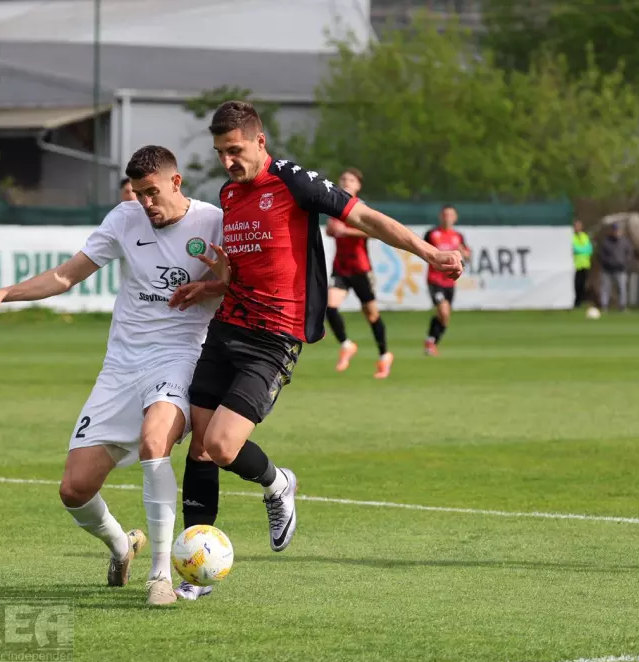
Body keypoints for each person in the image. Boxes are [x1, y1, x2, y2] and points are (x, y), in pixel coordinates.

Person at [167, 100, 463, 600]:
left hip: (272, 339)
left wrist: (430, 252)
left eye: (234, 150)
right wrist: (210, 287)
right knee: (198, 447)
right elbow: (243, 271)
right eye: (220, 153)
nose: (227, 162)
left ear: (260, 141)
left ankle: (278, 483)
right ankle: (195, 577)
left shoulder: (293, 182)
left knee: (221, 445)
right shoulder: (230, 194)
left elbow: (366, 218)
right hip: (226, 328)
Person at [0, 145, 226, 604]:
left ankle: (160, 574)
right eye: (139, 194)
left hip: (179, 355)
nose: (146, 203)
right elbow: (66, 276)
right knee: (74, 489)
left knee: (154, 441)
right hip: (122, 365)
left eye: (153, 192)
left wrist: (221, 279)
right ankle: (123, 546)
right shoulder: (124, 219)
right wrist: (5, 293)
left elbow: (243, 283)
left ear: (176, 183)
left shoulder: (214, 221)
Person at [324, 168, 393, 378]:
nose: (345, 182)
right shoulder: (334, 205)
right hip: (341, 267)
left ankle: (384, 356)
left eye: (350, 180)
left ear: (358, 185)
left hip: (360, 268)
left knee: (371, 314)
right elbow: (330, 230)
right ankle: (346, 345)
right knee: (330, 306)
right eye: (343, 179)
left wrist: (347, 231)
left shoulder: (361, 207)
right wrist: (332, 230)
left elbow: (373, 231)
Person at [423, 205, 470, 356]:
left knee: (445, 317)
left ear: (455, 217)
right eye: (445, 214)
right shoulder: (432, 234)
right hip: (435, 279)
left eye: (450, 215)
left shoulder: (458, 236)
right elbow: (422, 250)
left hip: (450, 281)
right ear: (440, 216)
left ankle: (431, 341)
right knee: (443, 311)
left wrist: (464, 254)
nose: (447, 217)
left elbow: (467, 255)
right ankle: (430, 343)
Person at [597, 222, 632, 311]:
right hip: (607, 270)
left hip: (621, 269)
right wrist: (608, 262)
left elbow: (629, 254)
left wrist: (624, 263)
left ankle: (622, 306)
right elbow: (601, 255)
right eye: (615, 230)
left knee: (622, 288)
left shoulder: (625, 242)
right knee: (605, 288)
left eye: (618, 230)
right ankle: (604, 306)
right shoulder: (606, 242)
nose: (616, 232)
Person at [572, 219, 593, 308]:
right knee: (576, 284)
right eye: (576, 226)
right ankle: (575, 302)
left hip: (585, 264)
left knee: (583, 285)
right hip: (576, 265)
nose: (577, 228)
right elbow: (575, 249)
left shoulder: (585, 236)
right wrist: (583, 250)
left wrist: (581, 250)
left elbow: (590, 249)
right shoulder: (571, 237)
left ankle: (580, 302)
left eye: (578, 226)